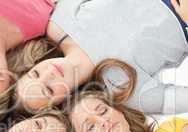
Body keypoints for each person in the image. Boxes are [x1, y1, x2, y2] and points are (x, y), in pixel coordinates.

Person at [16, 0, 188, 114]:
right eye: (49, 89)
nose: (48, 74)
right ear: (62, 103)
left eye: (35, 74)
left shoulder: (58, 26)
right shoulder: (125, 91)